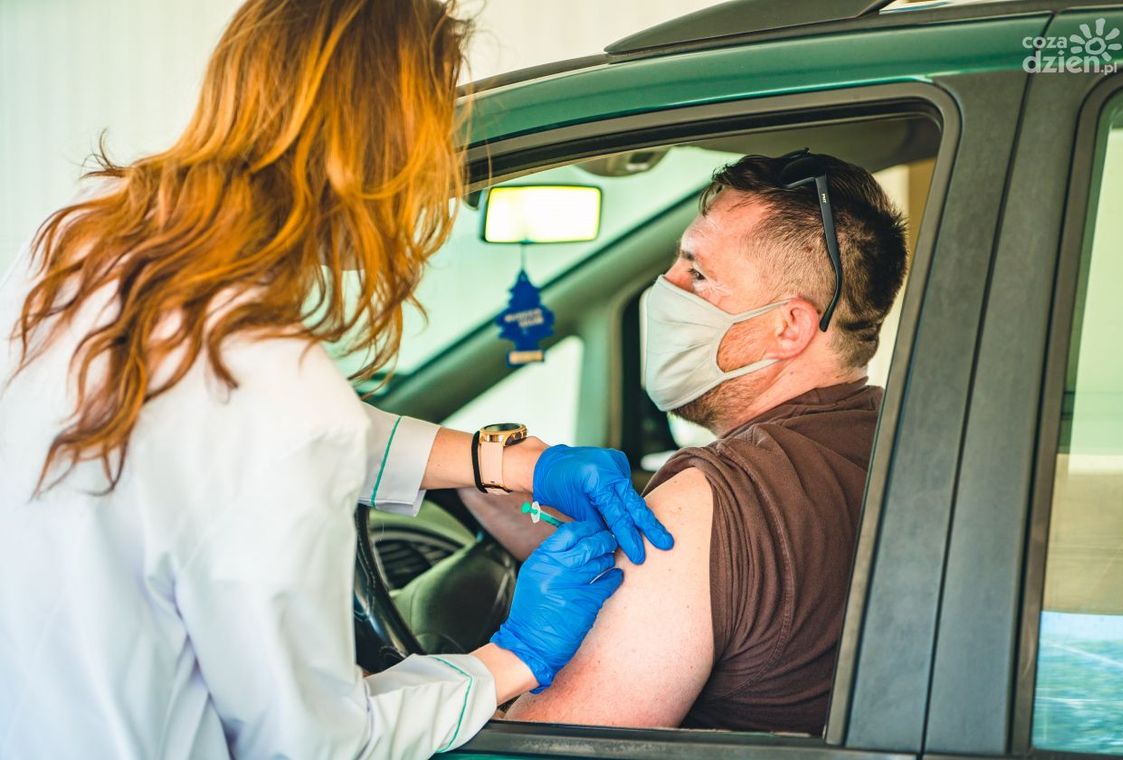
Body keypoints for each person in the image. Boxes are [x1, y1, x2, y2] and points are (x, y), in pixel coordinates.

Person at [0, 1, 673, 758]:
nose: (442, 182)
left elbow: (218, 440)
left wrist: (508, 460)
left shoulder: (85, 241)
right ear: (390, 151)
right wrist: (513, 656)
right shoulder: (283, 398)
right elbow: (314, 744)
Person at [462, 152, 908, 734]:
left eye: (696, 275)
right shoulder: (895, 443)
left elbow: (562, 746)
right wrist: (498, 474)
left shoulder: (712, 500)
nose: (663, 290)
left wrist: (489, 677)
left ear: (788, 327)